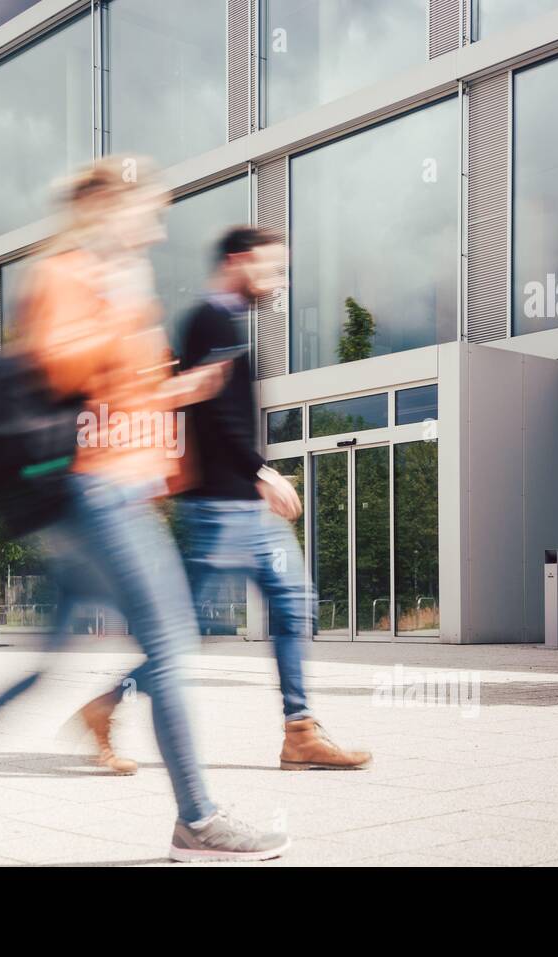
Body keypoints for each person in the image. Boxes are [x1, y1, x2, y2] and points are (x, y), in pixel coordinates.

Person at [0, 161, 290, 863]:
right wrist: (120, 318)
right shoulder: (70, 273)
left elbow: (115, 395)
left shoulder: (103, 279)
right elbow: (60, 366)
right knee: (171, 642)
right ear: (111, 208)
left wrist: (175, 391)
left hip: (109, 489)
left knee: (48, 666)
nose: (160, 225)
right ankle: (198, 822)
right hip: (96, 492)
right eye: (152, 210)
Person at [73, 226, 373, 773]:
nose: (277, 280)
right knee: (182, 633)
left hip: (242, 508)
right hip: (217, 509)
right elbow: (212, 415)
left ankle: (299, 730)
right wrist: (261, 470)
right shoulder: (209, 320)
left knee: (292, 604)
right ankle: (105, 705)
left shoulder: (225, 321)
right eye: (270, 268)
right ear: (238, 261)